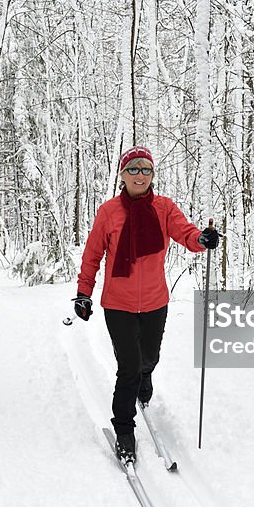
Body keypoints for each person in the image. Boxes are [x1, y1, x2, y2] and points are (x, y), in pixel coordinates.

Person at [72, 145, 218, 464]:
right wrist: (84, 292)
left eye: (146, 169)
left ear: (152, 175)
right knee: (128, 370)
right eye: (134, 169)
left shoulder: (164, 208)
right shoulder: (109, 212)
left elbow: (186, 233)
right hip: (118, 304)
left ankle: (146, 375)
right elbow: (93, 255)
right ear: (123, 175)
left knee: (148, 358)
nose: (140, 175)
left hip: (155, 301)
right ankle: (124, 429)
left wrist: (201, 240)